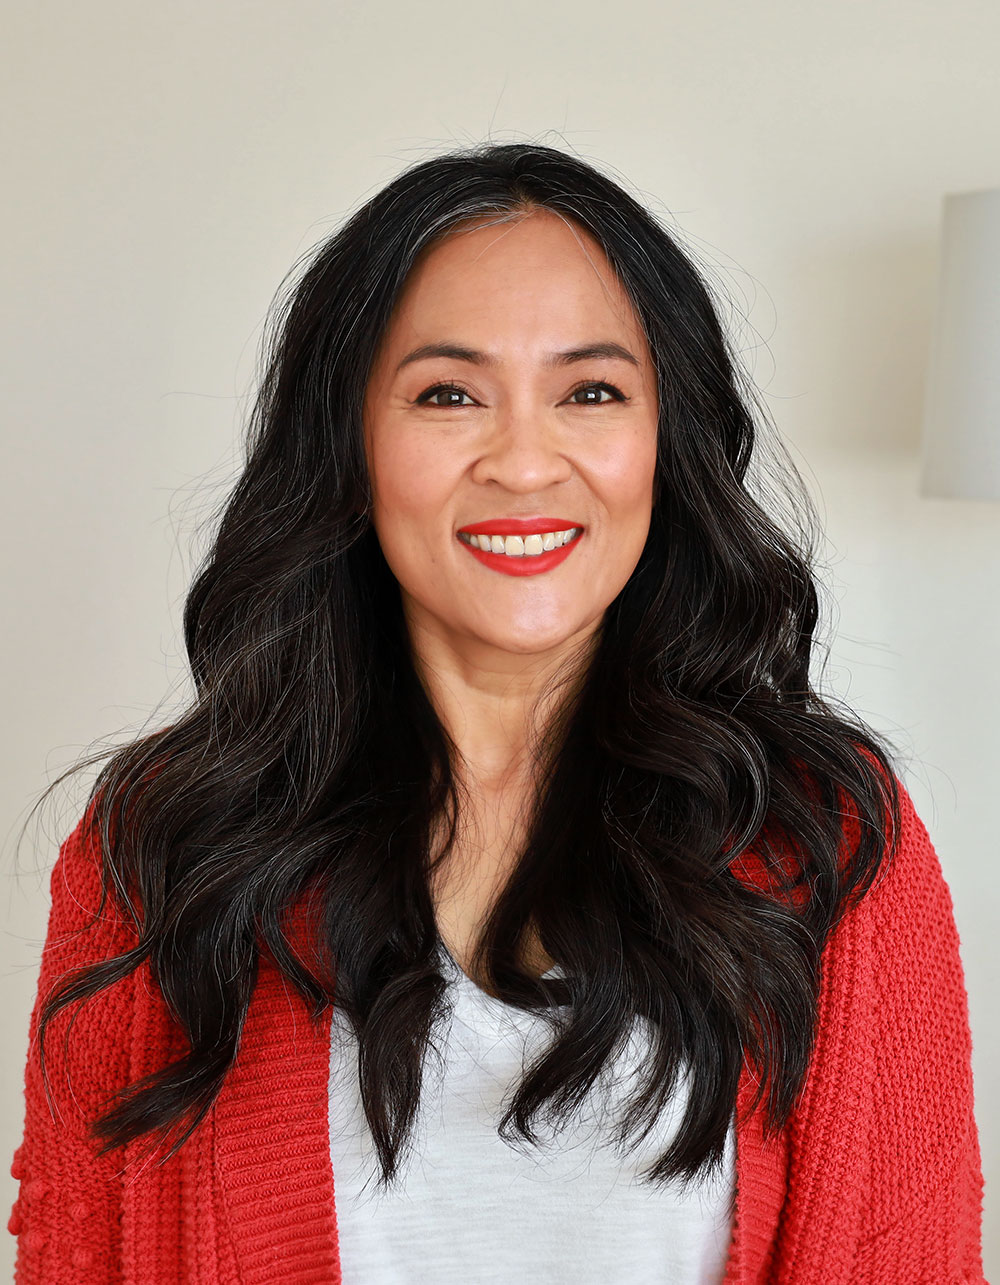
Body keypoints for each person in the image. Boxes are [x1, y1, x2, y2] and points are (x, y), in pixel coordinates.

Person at [8, 141, 986, 1284]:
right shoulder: (163, 848)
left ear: (664, 441)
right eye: (448, 394)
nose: (525, 463)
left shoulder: (833, 846)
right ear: (349, 444)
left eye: (590, 392)